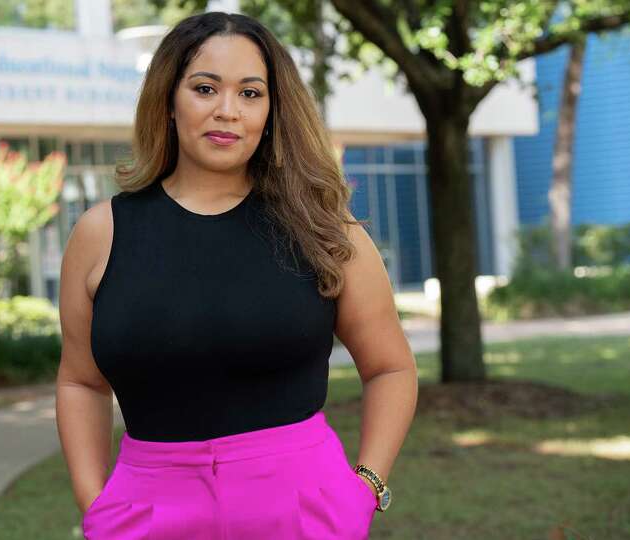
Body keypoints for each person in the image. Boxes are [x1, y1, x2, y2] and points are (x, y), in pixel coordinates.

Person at [55, 10, 417, 540]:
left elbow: (390, 368)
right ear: (169, 102)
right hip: (146, 513)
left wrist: (364, 487)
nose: (228, 111)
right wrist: (98, 508)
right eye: (205, 88)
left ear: (272, 111)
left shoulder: (325, 231)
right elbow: (81, 382)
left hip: (305, 512)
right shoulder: (100, 234)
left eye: (251, 93)